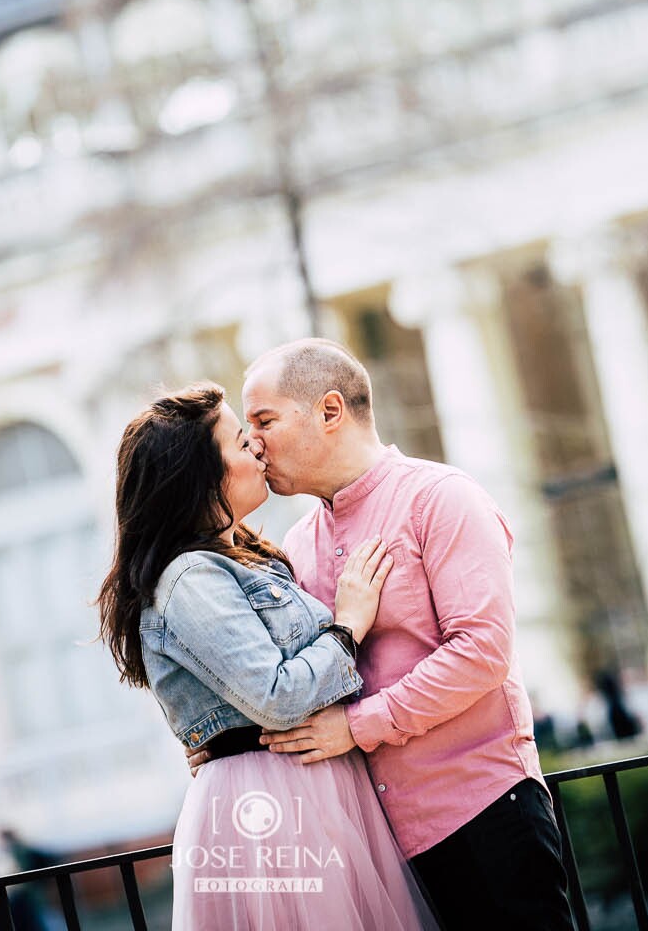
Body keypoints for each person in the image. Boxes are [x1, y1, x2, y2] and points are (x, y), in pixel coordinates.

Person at [243, 338, 576, 931]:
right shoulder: (296, 547)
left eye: (265, 420)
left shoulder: (442, 499)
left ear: (329, 411)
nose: (253, 443)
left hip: (484, 816)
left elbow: (482, 652)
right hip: (377, 853)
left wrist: (357, 726)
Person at [97, 382, 435, 928]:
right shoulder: (190, 578)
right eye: (239, 440)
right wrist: (347, 626)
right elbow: (277, 697)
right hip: (273, 801)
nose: (257, 447)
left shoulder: (249, 558)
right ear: (202, 475)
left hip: (315, 783)